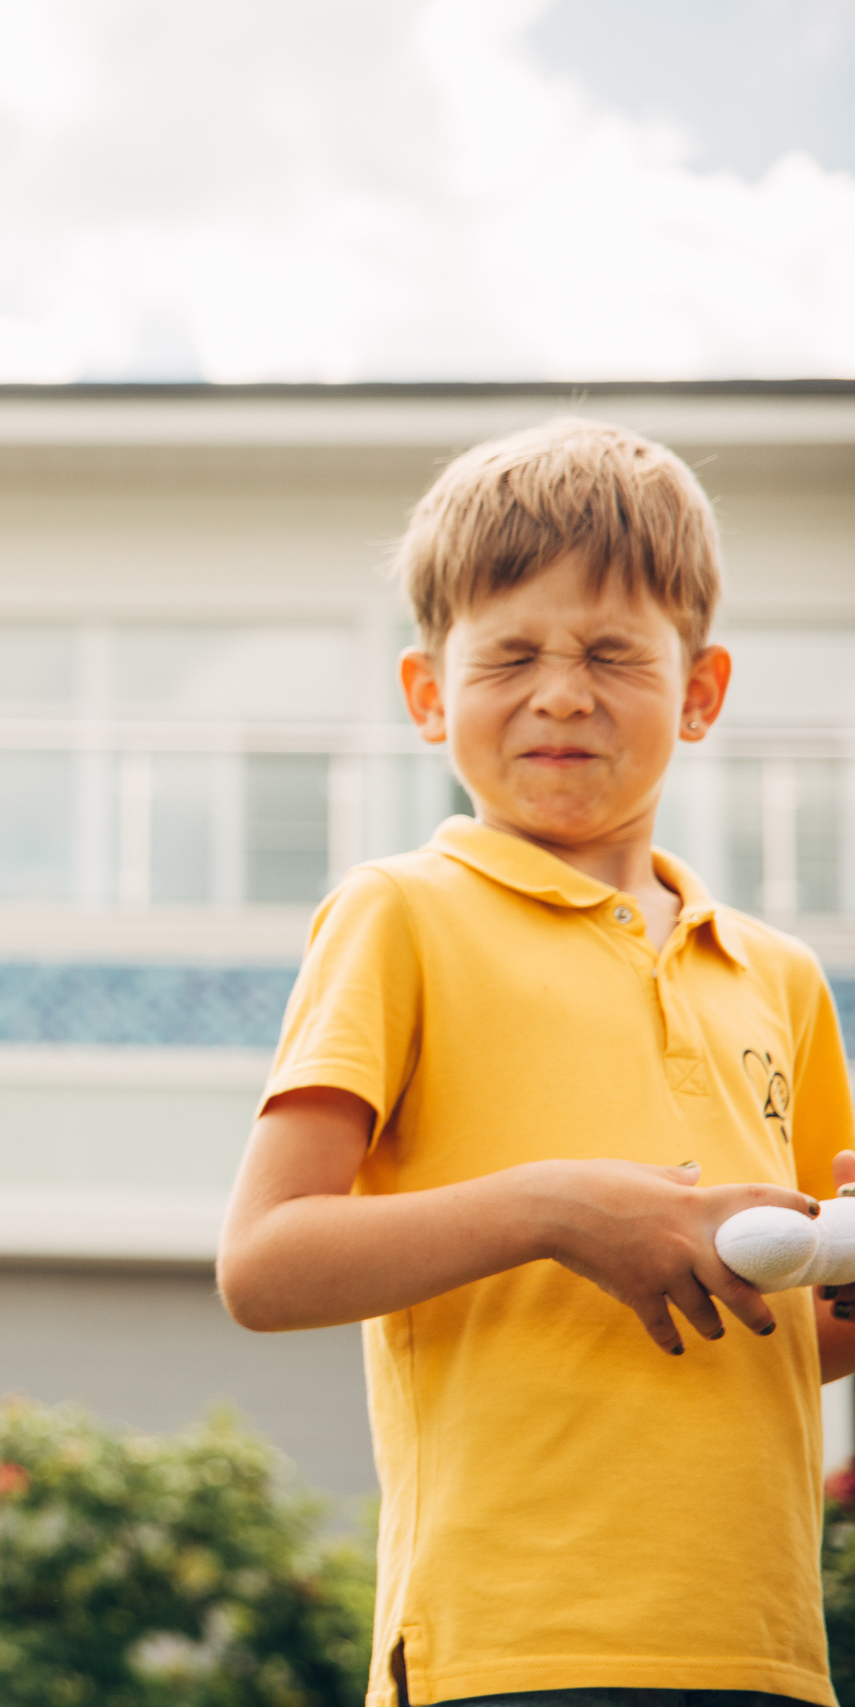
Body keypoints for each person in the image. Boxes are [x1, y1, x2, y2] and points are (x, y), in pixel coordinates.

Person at [217, 417, 854, 1706]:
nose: (561, 693)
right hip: (505, 1648)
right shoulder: (398, 913)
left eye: (613, 653)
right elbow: (264, 1263)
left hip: (761, 1649)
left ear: (700, 691)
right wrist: (555, 1209)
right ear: (426, 693)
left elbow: (790, 1332)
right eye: (510, 655)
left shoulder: (780, 977)